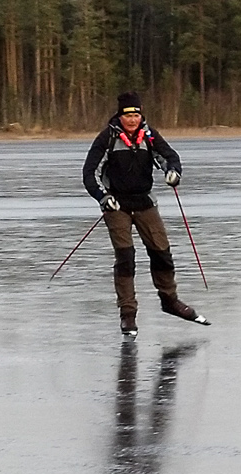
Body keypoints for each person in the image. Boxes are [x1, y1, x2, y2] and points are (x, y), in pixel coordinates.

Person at [83, 93, 207, 336]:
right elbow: (90, 173)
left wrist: (173, 172)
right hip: (116, 205)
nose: (132, 119)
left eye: (136, 115)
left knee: (161, 252)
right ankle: (128, 315)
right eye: (128, 115)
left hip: (146, 202)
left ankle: (170, 301)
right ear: (120, 116)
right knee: (126, 257)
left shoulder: (149, 135)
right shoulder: (107, 137)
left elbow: (170, 157)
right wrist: (103, 197)